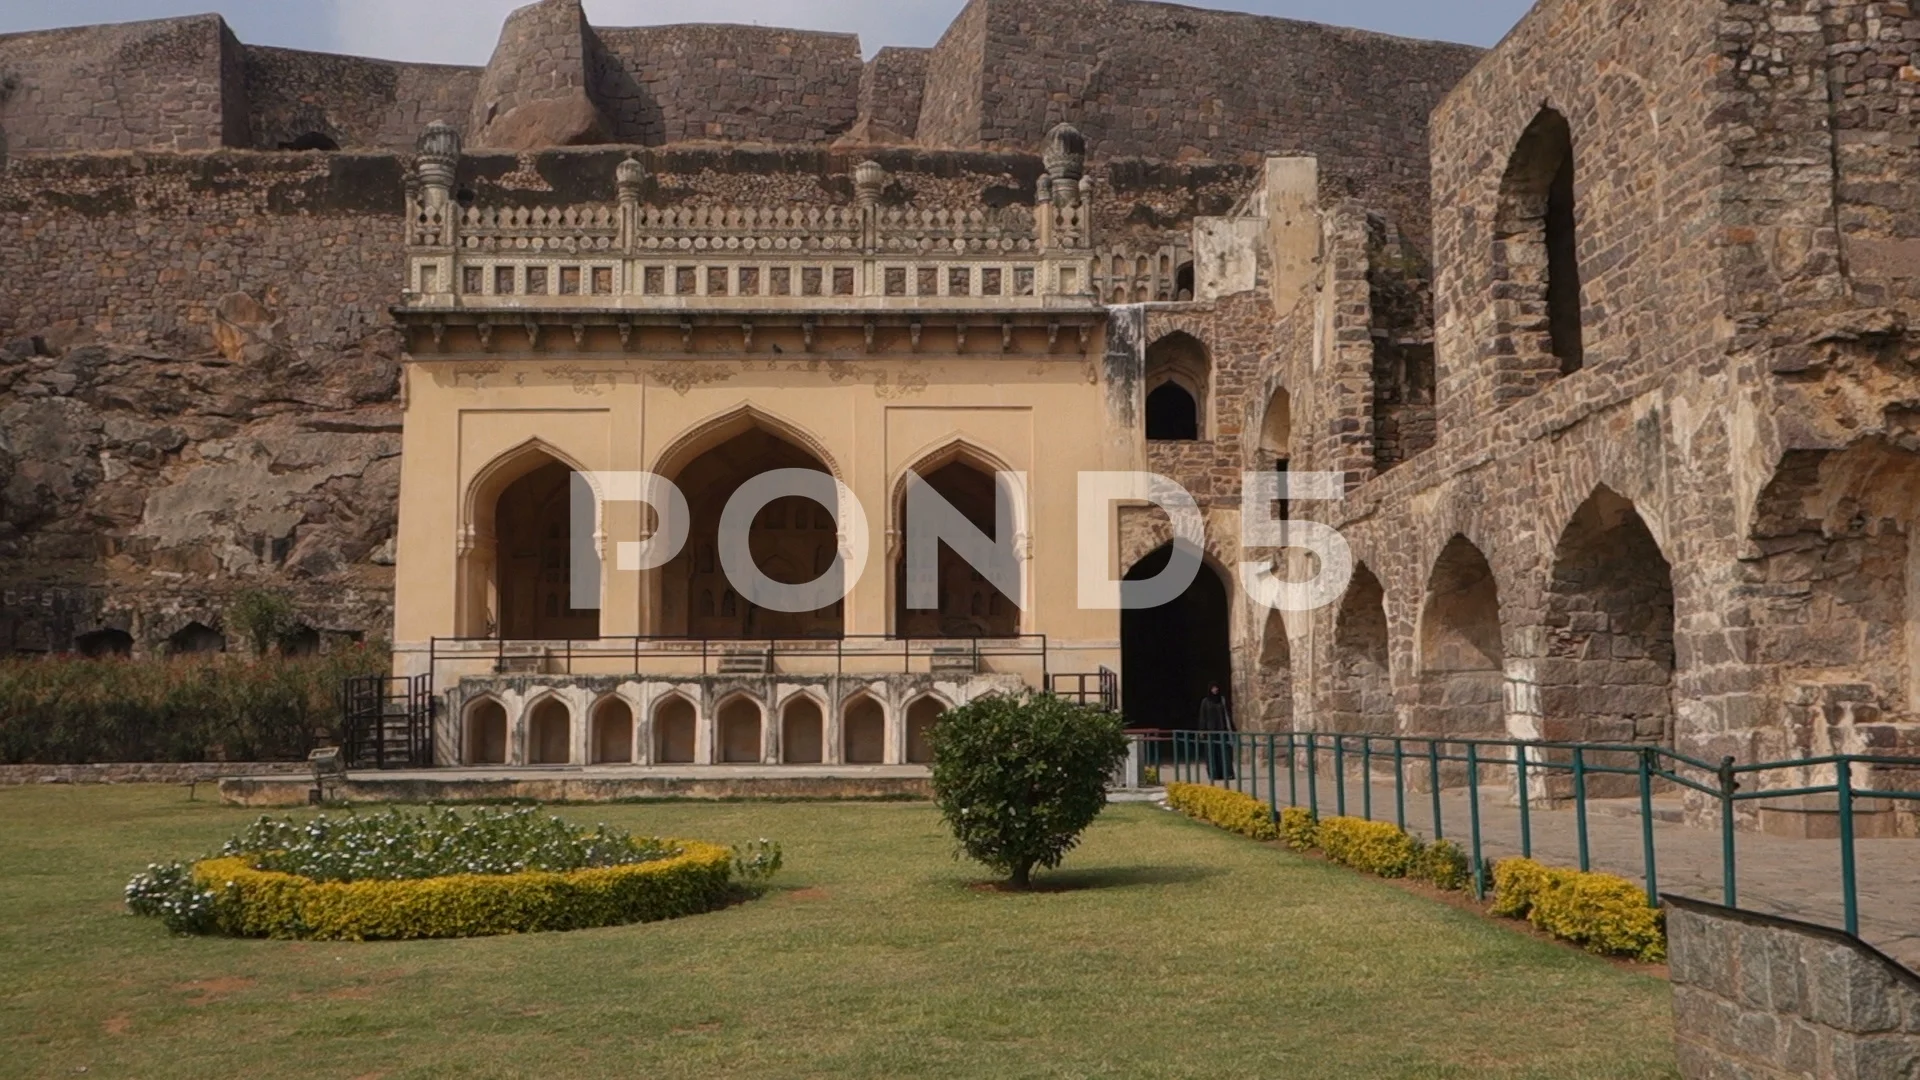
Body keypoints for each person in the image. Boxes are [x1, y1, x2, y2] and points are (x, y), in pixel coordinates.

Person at [1197, 684, 1236, 782]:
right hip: (1210, 732)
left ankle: (1227, 773)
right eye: (1213, 688)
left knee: (1224, 752)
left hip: (1222, 730)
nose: (1215, 689)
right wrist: (1202, 730)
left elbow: (1227, 714)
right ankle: (1214, 774)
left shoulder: (1221, 700)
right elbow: (1203, 716)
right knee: (1211, 753)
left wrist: (1232, 728)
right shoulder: (1205, 702)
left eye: (1216, 687)